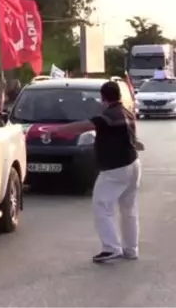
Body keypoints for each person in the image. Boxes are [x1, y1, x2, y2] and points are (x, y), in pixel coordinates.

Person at [48, 81, 144, 263]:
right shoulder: (128, 113)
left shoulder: (107, 115)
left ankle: (111, 248)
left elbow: (84, 125)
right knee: (129, 209)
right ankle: (131, 249)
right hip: (133, 164)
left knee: (101, 205)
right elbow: (131, 137)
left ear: (103, 97)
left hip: (115, 168)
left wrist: (58, 130)